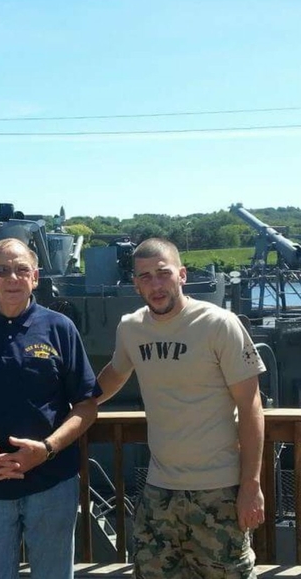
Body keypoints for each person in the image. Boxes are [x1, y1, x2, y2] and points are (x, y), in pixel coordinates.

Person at [97, 237, 266, 578]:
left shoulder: (219, 324)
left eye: (163, 273)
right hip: (160, 490)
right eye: (145, 277)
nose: (156, 285)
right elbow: (113, 376)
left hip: (218, 489)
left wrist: (250, 485)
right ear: (135, 283)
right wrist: (66, 407)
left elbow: (251, 407)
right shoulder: (131, 328)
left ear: (182, 275)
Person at [0, 238, 100, 579]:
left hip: (52, 483)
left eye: (21, 269)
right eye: (2, 271)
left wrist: (47, 449)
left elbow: (87, 405)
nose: (12, 278)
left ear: (35, 277)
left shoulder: (60, 328)